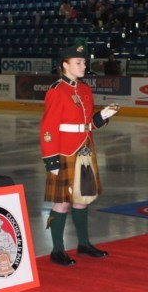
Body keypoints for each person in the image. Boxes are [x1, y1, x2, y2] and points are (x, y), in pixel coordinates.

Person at [40, 44, 119, 266]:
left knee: (82, 200)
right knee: (61, 203)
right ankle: (57, 250)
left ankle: (83, 244)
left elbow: (87, 125)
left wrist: (102, 116)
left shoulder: (85, 89)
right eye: (78, 62)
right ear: (65, 65)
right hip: (64, 152)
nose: (84, 66)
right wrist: (51, 159)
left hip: (85, 150)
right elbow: (48, 128)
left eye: (84, 62)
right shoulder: (56, 90)